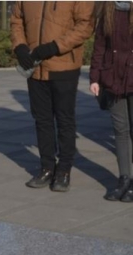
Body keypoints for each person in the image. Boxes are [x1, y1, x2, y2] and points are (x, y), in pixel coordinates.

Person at [10, 1, 95, 192]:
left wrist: (54, 47)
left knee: (64, 120)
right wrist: (20, 47)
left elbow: (85, 25)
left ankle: (64, 170)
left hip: (63, 65)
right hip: (35, 67)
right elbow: (16, 19)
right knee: (42, 120)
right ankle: (47, 167)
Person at [90, 2, 133, 202]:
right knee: (120, 130)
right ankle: (124, 179)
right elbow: (99, 46)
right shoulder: (107, 10)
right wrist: (95, 78)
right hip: (113, 78)